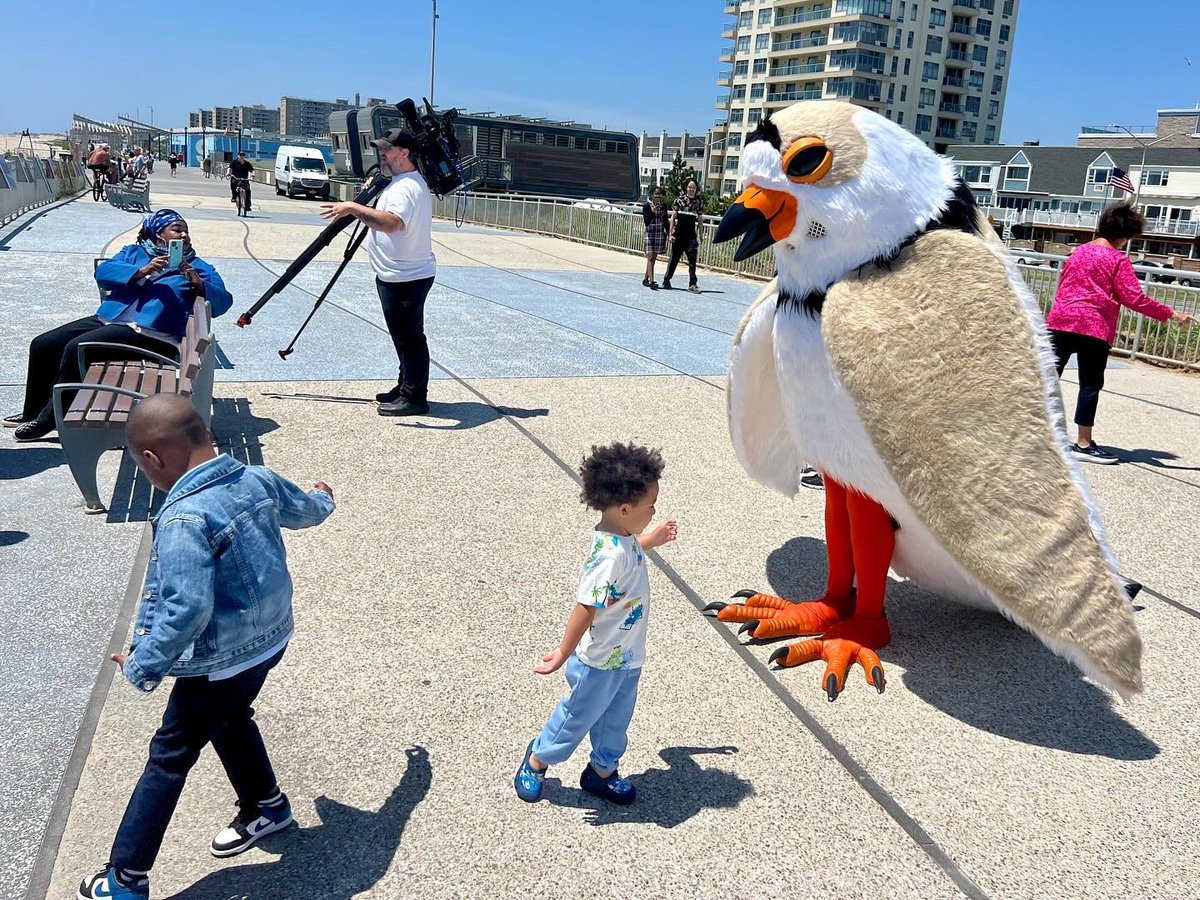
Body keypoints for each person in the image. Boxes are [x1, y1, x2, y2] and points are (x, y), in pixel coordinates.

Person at [76, 394, 336, 900]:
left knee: (170, 755)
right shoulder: (254, 477)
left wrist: (142, 663)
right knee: (229, 716)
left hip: (219, 659)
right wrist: (324, 495)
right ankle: (266, 806)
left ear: (153, 459)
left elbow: (187, 609)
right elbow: (305, 510)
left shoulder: (183, 520)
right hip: (269, 641)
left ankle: (125, 878)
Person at [514, 443, 678, 805]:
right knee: (575, 720)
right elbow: (585, 609)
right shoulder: (606, 558)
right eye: (650, 506)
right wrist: (562, 652)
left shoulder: (625, 537)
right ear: (624, 509)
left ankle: (601, 772)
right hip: (598, 662)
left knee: (616, 722)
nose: (653, 512)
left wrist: (654, 538)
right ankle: (538, 759)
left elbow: (635, 548)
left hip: (627, 657)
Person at [6, 210, 232, 441]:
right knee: (44, 344)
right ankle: (32, 411)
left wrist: (199, 284)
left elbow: (224, 301)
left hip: (151, 334)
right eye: (177, 229)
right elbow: (103, 272)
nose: (184, 235)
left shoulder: (198, 266)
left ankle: (51, 418)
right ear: (157, 233)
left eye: (186, 231)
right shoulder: (134, 253)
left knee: (79, 347)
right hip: (111, 318)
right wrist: (141, 271)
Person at [1045, 204, 1194, 464]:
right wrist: (1171, 314)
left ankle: (1036, 436)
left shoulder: (1077, 252)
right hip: (1094, 325)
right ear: (1125, 235)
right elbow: (1134, 298)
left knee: (1046, 380)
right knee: (1089, 385)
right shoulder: (1117, 259)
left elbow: (1063, 285)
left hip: (1060, 321)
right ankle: (1083, 442)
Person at [319, 128, 436, 417]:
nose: (381, 153)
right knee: (403, 337)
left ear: (404, 153)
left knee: (410, 338)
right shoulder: (400, 182)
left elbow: (392, 223)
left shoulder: (407, 186)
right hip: (398, 274)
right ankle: (405, 386)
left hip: (406, 276)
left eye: (387, 149)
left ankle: (415, 397)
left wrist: (352, 207)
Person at [663, 179, 704, 293]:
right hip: (679, 234)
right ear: (686, 188)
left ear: (696, 189)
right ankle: (667, 279)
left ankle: (693, 283)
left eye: (694, 188)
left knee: (692, 260)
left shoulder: (698, 202)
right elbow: (673, 218)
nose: (691, 190)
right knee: (674, 259)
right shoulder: (679, 200)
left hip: (691, 235)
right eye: (689, 187)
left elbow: (700, 220)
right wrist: (670, 233)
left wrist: (701, 235)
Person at [641, 185, 668, 289]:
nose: (658, 196)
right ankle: (652, 281)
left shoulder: (663, 206)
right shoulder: (647, 206)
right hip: (650, 233)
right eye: (655, 194)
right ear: (652, 195)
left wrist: (670, 233)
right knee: (650, 256)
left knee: (653, 258)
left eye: (659, 194)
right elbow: (646, 221)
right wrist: (653, 213)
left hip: (660, 233)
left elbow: (665, 220)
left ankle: (645, 279)